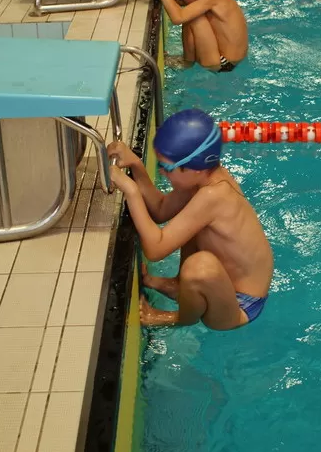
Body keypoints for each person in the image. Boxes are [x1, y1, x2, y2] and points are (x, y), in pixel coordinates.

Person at [107, 109, 273, 330]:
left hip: (240, 305)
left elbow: (155, 250)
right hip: (224, 284)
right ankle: (178, 286)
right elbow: (160, 210)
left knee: (199, 266)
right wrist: (136, 164)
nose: (163, 173)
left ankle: (179, 318)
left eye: (167, 168)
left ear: (194, 168)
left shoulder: (214, 196)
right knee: (190, 223)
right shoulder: (202, 178)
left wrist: (131, 191)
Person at [149, 0, 248, 72]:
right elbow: (181, 2)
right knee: (188, 12)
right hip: (231, 58)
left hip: (224, 63)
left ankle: (186, 63)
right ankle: (188, 61)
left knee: (193, 18)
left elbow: (177, 17)